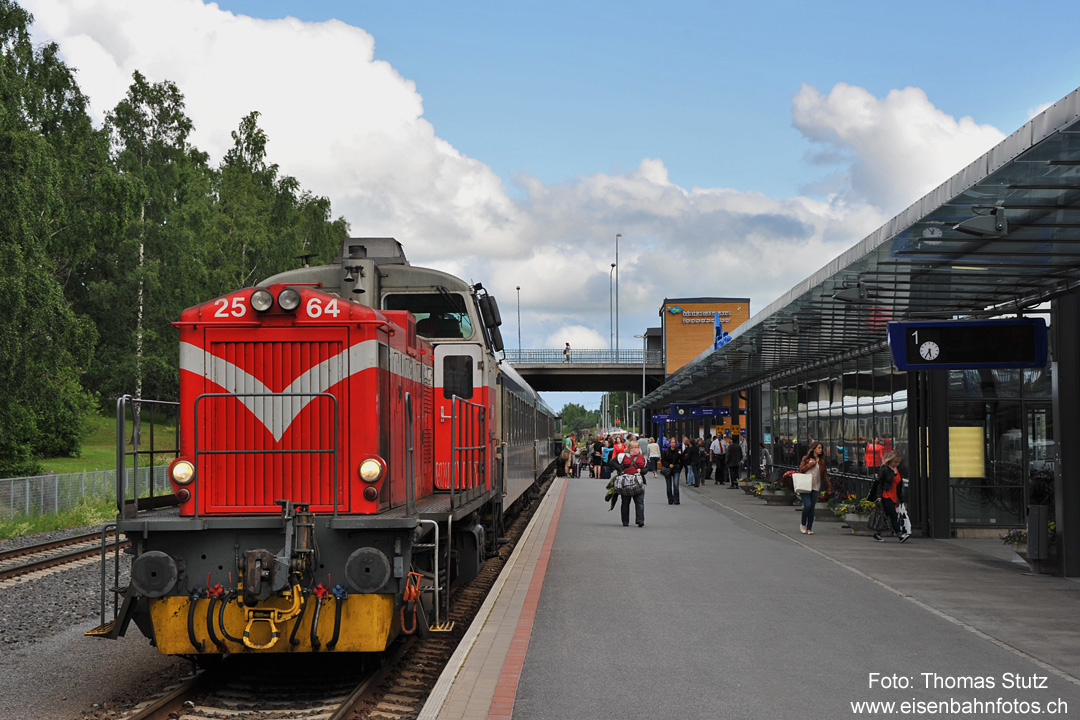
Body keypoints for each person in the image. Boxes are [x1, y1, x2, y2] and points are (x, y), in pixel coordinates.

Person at [868, 450, 909, 542]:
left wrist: (901, 497)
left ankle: (877, 533)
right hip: (885, 495)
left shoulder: (897, 470)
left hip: (893, 496)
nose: (897, 464)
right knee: (893, 515)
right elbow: (879, 483)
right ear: (890, 460)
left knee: (885, 515)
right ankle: (900, 535)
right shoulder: (885, 469)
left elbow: (898, 485)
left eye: (898, 462)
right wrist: (879, 496)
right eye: (895, 462)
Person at [797, 441, 833, 534]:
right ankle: (803, 523)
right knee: (807, 505)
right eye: (819, 448)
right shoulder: (806, 458)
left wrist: (829, 487)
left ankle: (810, 527)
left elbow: (825, 475)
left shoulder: (822, 461)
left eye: (821, 448)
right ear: (814, 449)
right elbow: (801, 470)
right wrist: (811, 464)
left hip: (815, 486)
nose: (820, 450)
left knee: (812, 507)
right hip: (805, 485)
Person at [616, 440, 647, 527]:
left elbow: (647, 468)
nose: (638, 449)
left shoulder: (642, 458)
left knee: (639, 502)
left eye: (638, 447)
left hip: (638, 482)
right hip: (626, 482)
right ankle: (625, 521)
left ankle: (640, 520)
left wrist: (641, 471)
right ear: (630, 448)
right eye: (635, 447)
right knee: (625, 502)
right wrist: (620, 470)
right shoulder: (622, 456)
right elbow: (612, 463)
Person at [661, 439, 682, 505]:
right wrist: (668, 465)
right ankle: (670, 499)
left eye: (674, 442)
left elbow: (682, 460)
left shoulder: (678, 451)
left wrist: (679, 467)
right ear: (669, 444)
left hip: (676, 469)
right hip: (668, 469)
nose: (673, 444)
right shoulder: (666, 451)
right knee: (669, 486)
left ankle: (676, 500)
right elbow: (663, 460)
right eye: (672, 442)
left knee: (676, 485)